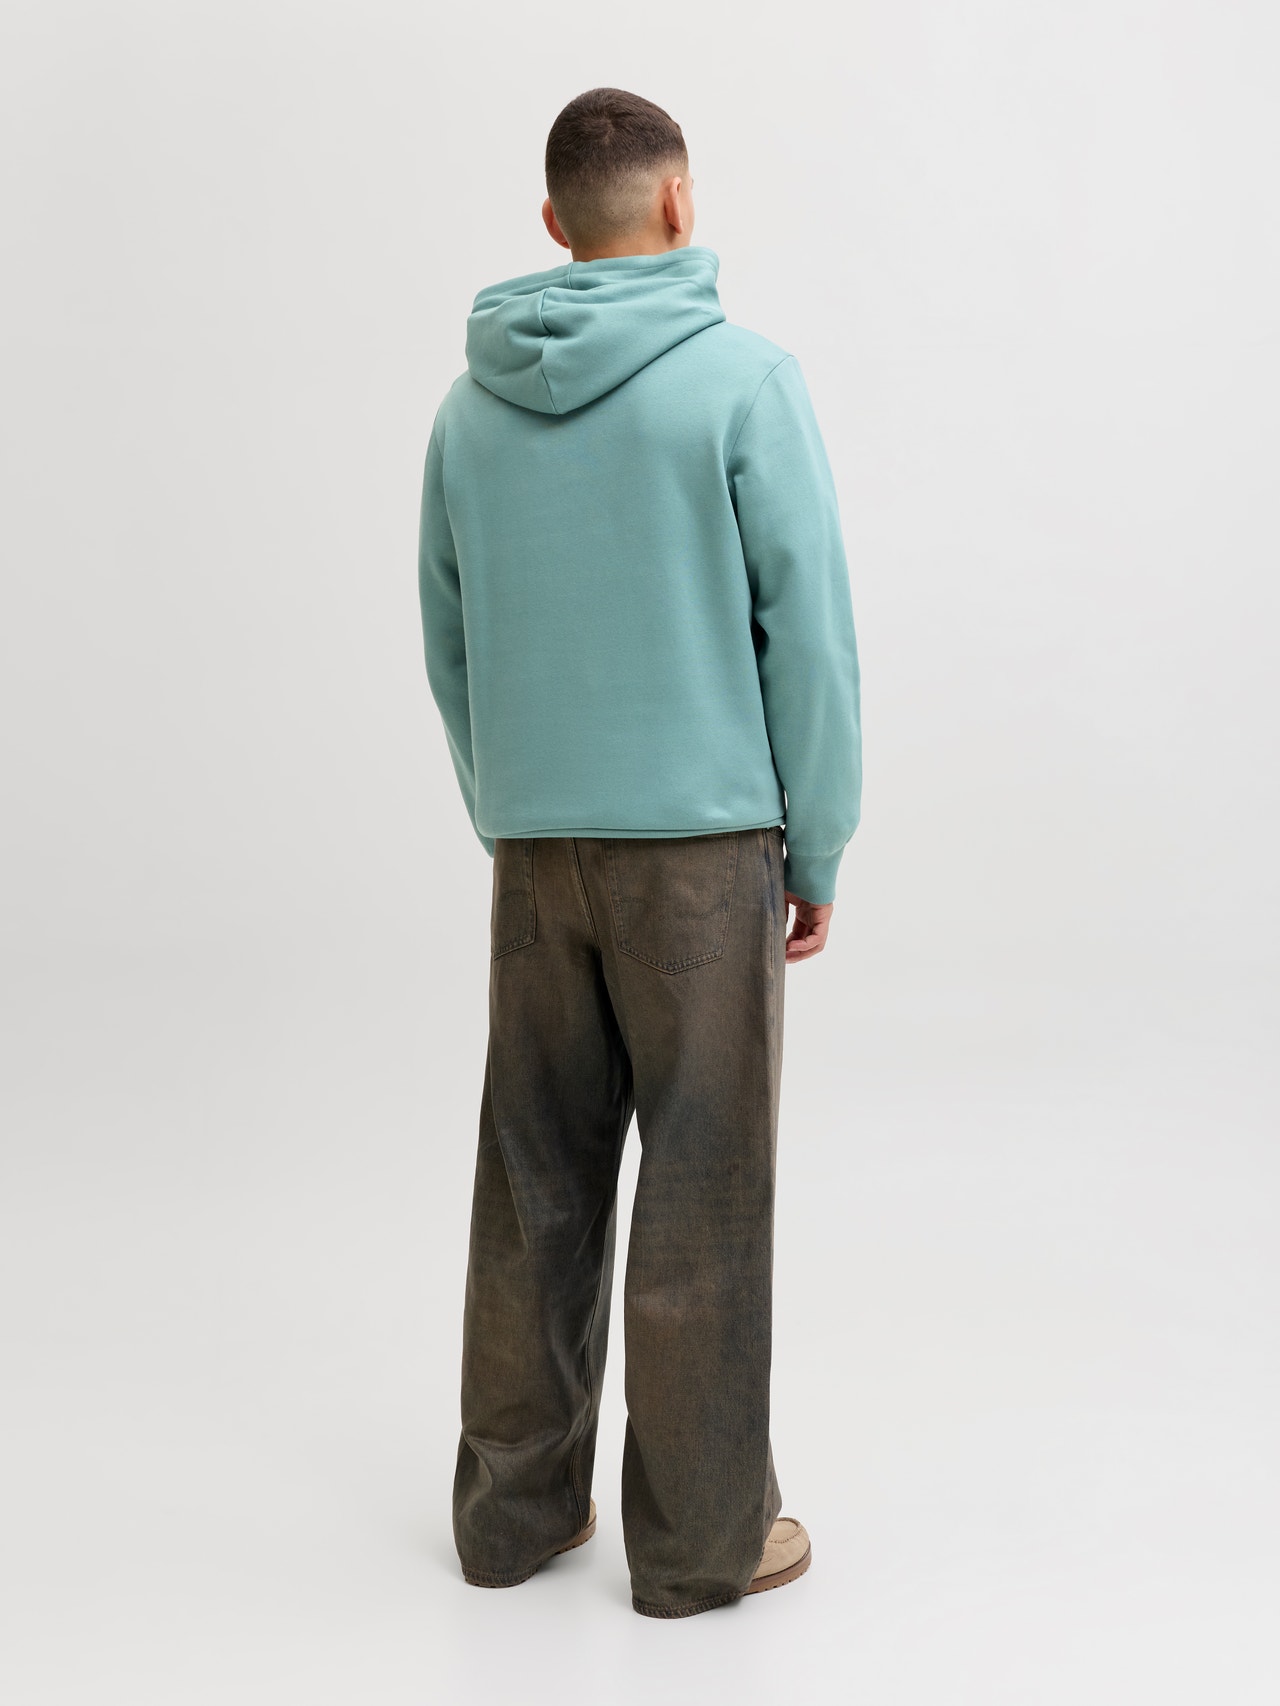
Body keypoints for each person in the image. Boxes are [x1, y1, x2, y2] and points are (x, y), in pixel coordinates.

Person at [417, 85, 862, 1619]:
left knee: (532, 1172)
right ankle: (697, 1542)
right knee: (705, 1183)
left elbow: (450, 642)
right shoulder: (743, 382)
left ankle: (512, 1513)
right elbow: (809, 636)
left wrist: (510, 807)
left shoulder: (468, 410)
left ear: (554, 224)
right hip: (703, 847)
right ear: (679, 204)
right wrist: (820, 835)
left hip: (537, 846)